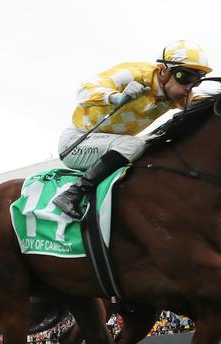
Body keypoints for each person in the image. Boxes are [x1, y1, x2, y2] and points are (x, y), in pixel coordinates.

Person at [53, 40, 212, 220]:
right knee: (135, 144)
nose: (189, 87)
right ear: (164, 71)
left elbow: (212, 104)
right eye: (185, 77)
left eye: (196, 81)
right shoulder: (134, 73)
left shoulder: (176, 95)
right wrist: (114, 97)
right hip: (76, 143)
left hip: (112, 146)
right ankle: (73, 193)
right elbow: (83, 90)